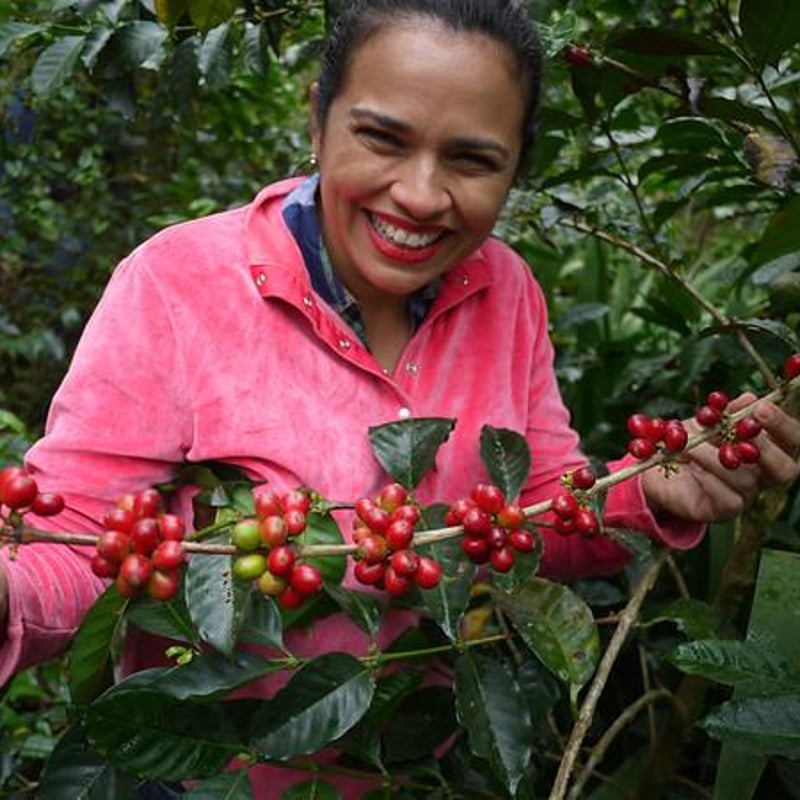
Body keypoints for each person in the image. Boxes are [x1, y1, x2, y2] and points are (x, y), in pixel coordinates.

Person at [1, 0, 798, 797]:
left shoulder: (507, 291)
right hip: (206, 778)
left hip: (410, 771)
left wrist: (647, 490)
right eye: (381, 137)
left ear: (516, 166)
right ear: (319, 120)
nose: (420, 196)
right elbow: (83, 543)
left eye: (472, 160)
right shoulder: (176, 285)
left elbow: (529, 514)